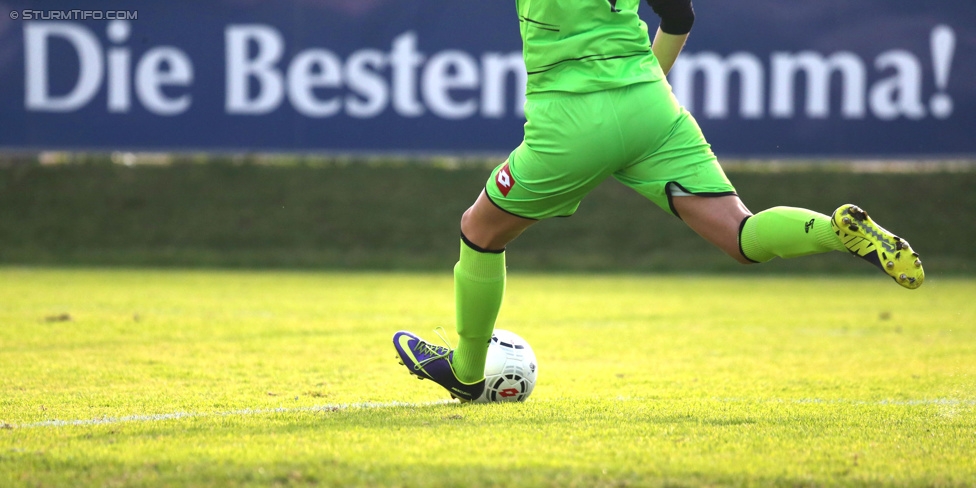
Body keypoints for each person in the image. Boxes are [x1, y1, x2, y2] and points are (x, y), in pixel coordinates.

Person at [393, 0, 924, 401]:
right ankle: (836, 229)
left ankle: (465, 371)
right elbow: (679, 14)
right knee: (741, 234)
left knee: (479, 230)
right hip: (652, 105)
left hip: (572, 116)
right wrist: (643, 93)